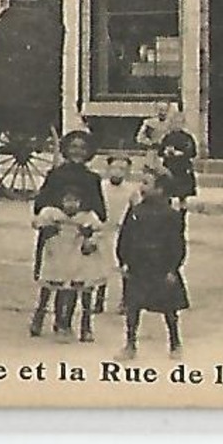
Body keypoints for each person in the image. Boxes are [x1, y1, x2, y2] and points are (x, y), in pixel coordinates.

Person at [29, 129, 105, 337]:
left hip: (79, 233)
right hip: (55, 232)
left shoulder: (92, 179)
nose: (77, 151)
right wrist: (52, 222)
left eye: (82, 148)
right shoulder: (56, 174)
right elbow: (40, 205)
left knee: (75, 276)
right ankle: (40, 314)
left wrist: (87, 227)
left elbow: (100, 210)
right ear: (65, 149)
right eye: (73, 147)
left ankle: (65, 321)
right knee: (52, 276)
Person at [115, 170, 190, 358]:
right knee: (133, 307)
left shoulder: (171, 215)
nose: (142, 187)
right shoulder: (135, 211)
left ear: (160, 189)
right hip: (138, 265)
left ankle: (175, 343)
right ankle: (130, 344)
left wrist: (173, 268)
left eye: (147, 183)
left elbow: (177, 243)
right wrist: (123, 261)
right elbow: (125, 237)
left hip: (161, 266)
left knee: (169, 309)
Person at [32, 189, 105, 343]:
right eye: (67, 200)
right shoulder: (51, 214)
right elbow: (37, 223)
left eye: (75, 201)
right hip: (56, 253)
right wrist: (49, 230)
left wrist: (90, 239)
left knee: (78, 288)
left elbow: (99, 231)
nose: (71, 204)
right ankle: (40, 319)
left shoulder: (87, 217)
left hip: (77, 255)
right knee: (50, 286)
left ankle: (80, 326)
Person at [97, 155, 140, 314]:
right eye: (114, 167)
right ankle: (99, 301)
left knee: (125, 266)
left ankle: (125, 301)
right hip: (102, 229)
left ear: (128, 172)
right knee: (101, 265)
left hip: (122, 231)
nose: (117, 172)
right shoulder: (101, 186)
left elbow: (136, 211)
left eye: (122, 169)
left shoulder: (131, 190)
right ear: (108, 169)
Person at [156, 111, 199, 209]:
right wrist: (166, 152)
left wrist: (180, 153)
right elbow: (160, 151)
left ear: (183, 124)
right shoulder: (167, 137)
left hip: (182, 168)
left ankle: (182, 209)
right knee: (167, 191)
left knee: (182, 192)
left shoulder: (187, 138)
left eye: (179, 122)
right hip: (170, 167)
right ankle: (167, 209)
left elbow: (192, 152)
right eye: (174, 122)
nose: (176, 125)